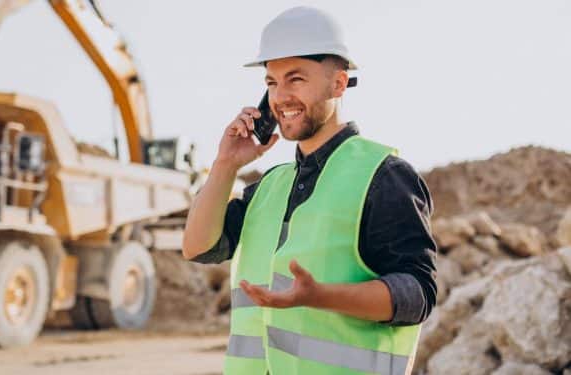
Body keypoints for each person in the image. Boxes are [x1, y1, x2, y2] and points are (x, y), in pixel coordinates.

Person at [182, 7, 437, 375]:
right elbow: (197, 247)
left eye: (295, 79)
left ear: (338, 84)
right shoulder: (269, 187)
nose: (280, 96)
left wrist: (320, 297)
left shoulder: (384, 176)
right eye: (271, 82)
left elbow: (418, 295)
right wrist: (225, 164)